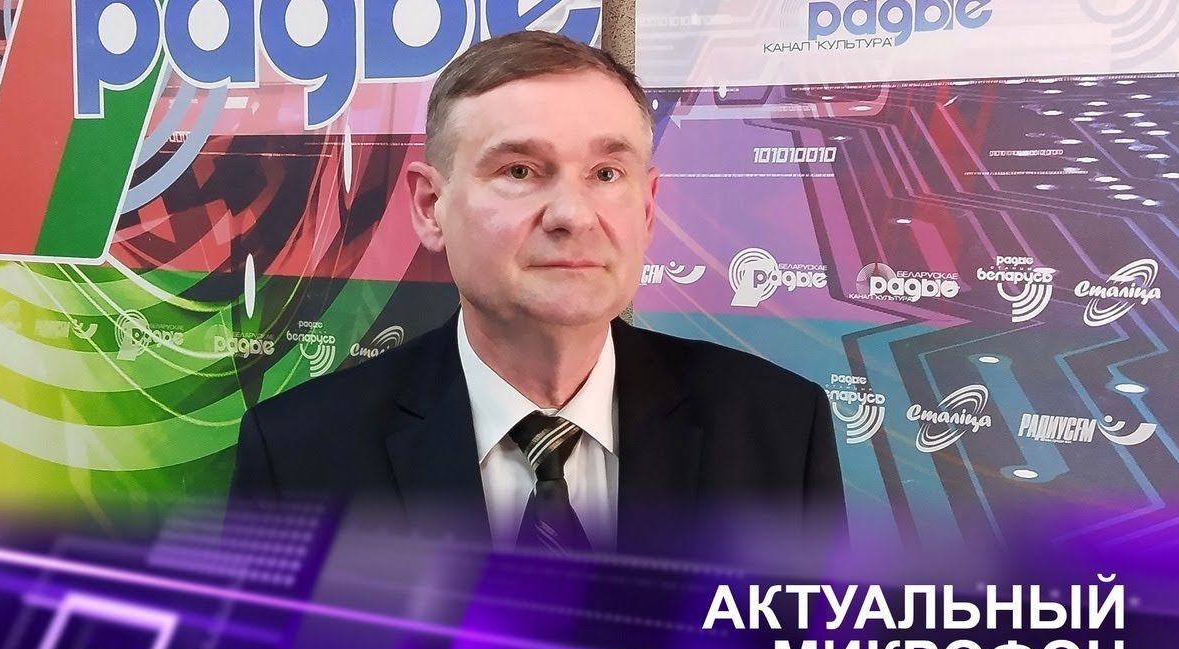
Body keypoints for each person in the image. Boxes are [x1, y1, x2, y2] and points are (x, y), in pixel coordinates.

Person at [230, 30, 846, 563]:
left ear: (647, 207)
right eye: (519, 171)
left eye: (607, 174)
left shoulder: (781, 431)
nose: (572, 215)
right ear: (430, 206)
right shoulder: (298, 456)